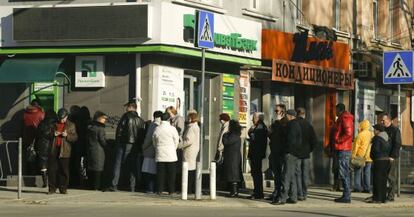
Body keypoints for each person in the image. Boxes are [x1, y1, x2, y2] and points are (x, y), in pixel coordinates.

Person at [108, 100, 146, 192]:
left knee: (118, 164)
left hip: (123, 143)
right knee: (133, 165)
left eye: (127, 107)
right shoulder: (140, 120)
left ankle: (114, 184)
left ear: (130, 107)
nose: (126, 109)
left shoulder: (126, 117)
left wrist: (118, 142)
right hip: (135, 145)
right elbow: (142, 135)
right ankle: (132, 186)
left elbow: (119, 130)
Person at [272, 109, 302, 205]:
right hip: (295, 153)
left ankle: (282, 198)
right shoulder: (297, 125)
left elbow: (290, 140)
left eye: (286, 115)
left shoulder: (291, 125)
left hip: (289, 153)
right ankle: (293, 197)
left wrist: (286, 150)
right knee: (291, 175)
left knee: (286, 175)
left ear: (290, 116)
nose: (285, 117)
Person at [48, 108, 78, 194]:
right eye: (60, 118)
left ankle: (63, 188)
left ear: (66, 117)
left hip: (64, 150)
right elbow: (45, 134)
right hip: (54, 149)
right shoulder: (53, 124)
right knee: (52, 170)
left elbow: (75, 137)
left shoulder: (71, 125)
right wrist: (53, 134)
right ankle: (52, 188)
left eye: (63, 118)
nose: (61, 120)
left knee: (64, 170)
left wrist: (67, 135)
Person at [153, 112, 180, 195]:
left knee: (160, 173)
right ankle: (171, 190)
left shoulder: (157, 129)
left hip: (160, 153)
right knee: (171, 174)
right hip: (171, 154)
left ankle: (159, 190)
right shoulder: (172, 129)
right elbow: (176, 140)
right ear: (169, 119)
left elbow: (154, 141)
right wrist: (173, 148)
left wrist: (157, 148)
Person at [333, 103, 354, 203]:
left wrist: (338, 140)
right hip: (342, 148)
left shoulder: (345, 117)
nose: (335, 112)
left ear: (339, 109)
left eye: (336, 110)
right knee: (343, 171)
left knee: (344, 172)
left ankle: (346, 195)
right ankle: (346, 194)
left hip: (343, 148)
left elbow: (348, 133)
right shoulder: (343, 117)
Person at [295, 107, 317, 201]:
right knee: (305, 174)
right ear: (304, 114)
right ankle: (305, 193)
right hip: (306, 154)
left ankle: (299, 194)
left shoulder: (295, 124)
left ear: (297, 114)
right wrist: (309, 149)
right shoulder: (308, 125)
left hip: (297, 153)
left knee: (298, 174)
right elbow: (314, 140)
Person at [268, 104, 288, 201]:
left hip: (281, 151)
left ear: (282, 112)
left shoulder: (284, 122)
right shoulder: (276, 122)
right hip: (274, 150)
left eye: (277, 111)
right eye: (275, 111)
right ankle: (276, 191)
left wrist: (277, 122)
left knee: (280, 174)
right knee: (276, 173)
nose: (275, 113)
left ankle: (280, 193)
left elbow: (284, 134)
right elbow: (271, 134)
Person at [380, 113, 401, 202]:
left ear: (388, 120)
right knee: (383, 176)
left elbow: (397, 143)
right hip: (383, 156)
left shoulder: (395, 130)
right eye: (381, 120)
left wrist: (392, 156)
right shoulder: (383, 129)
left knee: (391, 176)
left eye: (383, 120)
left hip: (392, 157)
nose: (382, 122)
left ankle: (391, 196)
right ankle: (383, 194)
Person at [368, 124, 391, 203]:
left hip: (378, 161)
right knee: (383, 180)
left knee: (377, 180)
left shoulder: (377, 138)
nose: (373, 131)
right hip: (386, 160)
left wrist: (372, 157)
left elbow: (375, 150)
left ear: (378, 130)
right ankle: (383, 198)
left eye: (374, 129)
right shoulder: (387, 138)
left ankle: (377, 199)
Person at [178, 111, 200, 194]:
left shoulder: (191, 128)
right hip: (193, 150)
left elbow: (188, 140)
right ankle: (189, 189)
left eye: (188, 117)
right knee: (191, 169)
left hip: (189, 150)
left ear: (191, 118)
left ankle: (188, 190)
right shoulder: (196, 127)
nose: (187, 119)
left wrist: (179, 145)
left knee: (188, 170)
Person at [247, 112, 268, 199]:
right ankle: (257, 192)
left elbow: (254, 139)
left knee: (256, 173)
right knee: (255, 173)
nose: (252, 120)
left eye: (254, 118)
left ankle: (258, 193)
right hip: (257, 153)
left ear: (258, 118)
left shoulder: (260, 127)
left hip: (257, 154)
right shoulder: (259, 126)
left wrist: (251, 131)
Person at [141, 111, 163, 193]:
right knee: (155, 171)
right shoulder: (161, 125)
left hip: (150, 151)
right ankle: (154, 188)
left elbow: (148, 138)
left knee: (149, 171)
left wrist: (143, 147)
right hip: (158, 151)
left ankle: (150, 189)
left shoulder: (153, 125)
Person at [22, 99, 45, 175]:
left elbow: (22, 127)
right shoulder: (41, 113)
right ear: (38, 105)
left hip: (27, 139)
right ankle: (37, 175)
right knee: (39, 158)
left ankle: (30, 175)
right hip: (38, 139)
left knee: (29, 158)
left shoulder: (25, 113)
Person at [86, 111, 108, 191]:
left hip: (91, 149)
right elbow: (102, 140)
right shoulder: (100, 128)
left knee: (91, 168)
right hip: (99, 151)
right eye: (104, 118)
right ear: (99, 118)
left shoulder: (90, 127)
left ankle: (91, 185)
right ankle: (97, 186)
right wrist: (107, 145)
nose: (105, 120)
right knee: (98, 169)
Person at [36, 110, 57, 188]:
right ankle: (52, 182)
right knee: (52, 165)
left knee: (43, 165)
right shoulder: (55, 124)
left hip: (42, 146)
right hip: (53, 146)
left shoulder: (41, 124)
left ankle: (45, 182)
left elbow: (38, 135)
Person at [352, 120, 373, 193]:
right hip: (369, 156)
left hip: (360, 156)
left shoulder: (360, 135)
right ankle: (367, 188)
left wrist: (353, 155)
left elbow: (356, 146)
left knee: (358, 172)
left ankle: (357, 187)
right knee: (367, 172)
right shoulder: (371, 134)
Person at [222, 120, 242, 197]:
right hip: (232, 156)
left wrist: (224, 135)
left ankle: (234, 191)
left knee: (233, 175)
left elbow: (226, 142)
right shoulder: (235, 135)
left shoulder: (234, 135)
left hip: (233, 157)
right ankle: (233, 191)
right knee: (232, 174)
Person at [214, 113, 230, 190]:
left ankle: (220, 185)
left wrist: (219, 149)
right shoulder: (225, 126)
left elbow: (222, 139)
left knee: (220, 167)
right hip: (222, 149)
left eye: (220, 119)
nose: (219, 120)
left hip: (222, 150)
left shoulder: (226, 127)